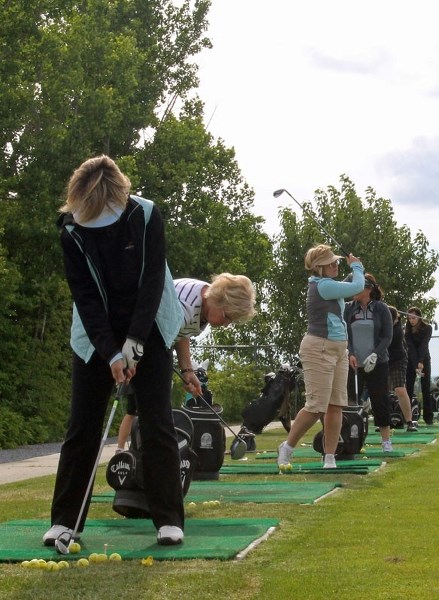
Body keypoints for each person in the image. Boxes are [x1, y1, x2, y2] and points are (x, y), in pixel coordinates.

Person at [43, 155, 186, 547]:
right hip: (94, 333)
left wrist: (136, 341)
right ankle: (65, 520)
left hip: (151, 322)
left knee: (156, 420)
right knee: (82, 424)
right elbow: (86, 298)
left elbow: (153, 280)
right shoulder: (71, 231)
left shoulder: (146, 216)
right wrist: (111, 353)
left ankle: (169, 519)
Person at [116, 274, 257, 452]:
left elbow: (181, 333)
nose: (227, 324)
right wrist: (132, 361)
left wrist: (187, 370)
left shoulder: (204, 301)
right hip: (136, 339)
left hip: (155, 343)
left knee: (157, 413)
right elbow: (153, 331)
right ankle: (145, 458)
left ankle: (148, 458)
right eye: (228, 317)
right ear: (219, 301)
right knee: (155, 414)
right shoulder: (187, 305)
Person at [277, 244, 365, 469]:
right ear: (319, 267)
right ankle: (286, 448)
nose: (335, 265)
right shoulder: (323, 285)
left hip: (338, 350)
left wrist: (352, 271)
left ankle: (330, 457)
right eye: (331, 263)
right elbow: (357, 286)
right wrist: (357, 266)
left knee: (336, 405)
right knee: (316, 406)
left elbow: (348, 287)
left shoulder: (328, 284)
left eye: (336, 261)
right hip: (319, 349)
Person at [344, 274, 394, 452]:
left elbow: (387, 336)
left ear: (368, 289)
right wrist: (350, 352)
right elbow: (345, 333)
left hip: (377, 362)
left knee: (379, 400)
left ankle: (386, 441)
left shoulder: (381, 308)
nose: (353, 290)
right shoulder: (350, 308)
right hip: (354, 363)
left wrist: (375, 354)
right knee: (352, 402)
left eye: (357, 286)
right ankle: (352, 440)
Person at [387, 306, 417, 431]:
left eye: (392, 319)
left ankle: (409, 421)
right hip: (383, 359)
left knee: (399, 389)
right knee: (382, 392)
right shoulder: (382, 325)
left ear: (397, 318)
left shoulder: (397, 330)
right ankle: (385, 422)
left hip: (398, 359)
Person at [405, 307, 433, 425]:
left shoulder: (427, 328)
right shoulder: (407, 330)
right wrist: (415, 364)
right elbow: (411, 348)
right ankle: (408, 418)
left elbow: (423, 345)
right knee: (409, 388)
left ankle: (428, 418)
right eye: (409, 318)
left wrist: (421, 361)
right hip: (411, 360)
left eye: (414, 318)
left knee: (426, 388)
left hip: (424, 359)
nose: (411, 320)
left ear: (419, 317)